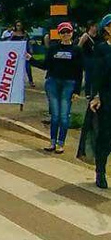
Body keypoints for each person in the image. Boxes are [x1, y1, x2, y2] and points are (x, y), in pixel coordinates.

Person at [29, 22, 83, 153]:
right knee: (55, 115)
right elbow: (46, 65)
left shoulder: (77, 50)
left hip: (69, 84)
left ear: (72, 33)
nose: (66, 34)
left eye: (68, 32)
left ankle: (61, 143)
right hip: (53, 82)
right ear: (59, 34)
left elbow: (79, 72)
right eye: (63, 32)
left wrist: (77, 91)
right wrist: (31, 59)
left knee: (64, 115)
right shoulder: (53, 49)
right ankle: (52, 142)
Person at [89, 14, 111, 188]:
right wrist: (95, 95)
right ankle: (100, 171)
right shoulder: (101, 48)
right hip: (107, 96)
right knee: (105, 136)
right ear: (106, 29)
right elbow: (95, 74)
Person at [10, 21, 35, 87]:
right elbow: (9, 43)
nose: (19, 27)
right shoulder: (13, 33)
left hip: (25, 52)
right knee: (15, 68)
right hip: (16, 53)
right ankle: (15, 81)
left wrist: (30, 50)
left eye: (20, 25)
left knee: (28, 67)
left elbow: (28, 42)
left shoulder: (25, 33)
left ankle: (31, 81)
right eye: (17, 25)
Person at [79, 21, 98, 96]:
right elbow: (79, 46)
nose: (96, 28)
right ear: (91, 27)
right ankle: (87, 92)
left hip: (96, 58)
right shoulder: (85, 36)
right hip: (88, 58)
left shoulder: (98, 36)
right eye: (95, 26)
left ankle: (94, 92)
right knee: (89, 75)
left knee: (96, 75)